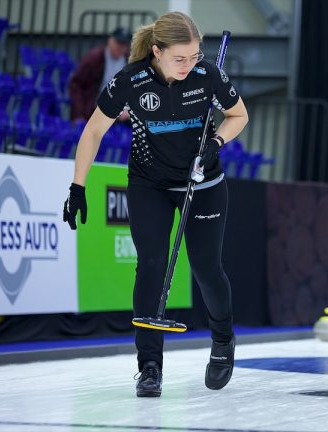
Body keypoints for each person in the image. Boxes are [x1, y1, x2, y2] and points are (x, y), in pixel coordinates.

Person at [61, 11, 249, 397]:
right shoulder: (131, 80)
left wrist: (215, 144)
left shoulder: (207, 75)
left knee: (206, 268)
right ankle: (149, 366)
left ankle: (222, 341)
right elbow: (94, 130)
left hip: (203, 182)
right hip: (151, 183)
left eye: (194, 56)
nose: (189, 65)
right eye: (180, 58)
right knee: (150, 265)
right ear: (157, 51)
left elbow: (238, 115)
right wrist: (78, 187)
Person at [69, 27, 132, 121]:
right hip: (93, 111)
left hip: (120, 113)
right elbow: (76, 85)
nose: (120, 47)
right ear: (110, 40)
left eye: (124, 44)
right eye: (118, 42)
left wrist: (128, 108)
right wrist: (79, 114)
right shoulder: (94, 58)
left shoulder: (129, 61)